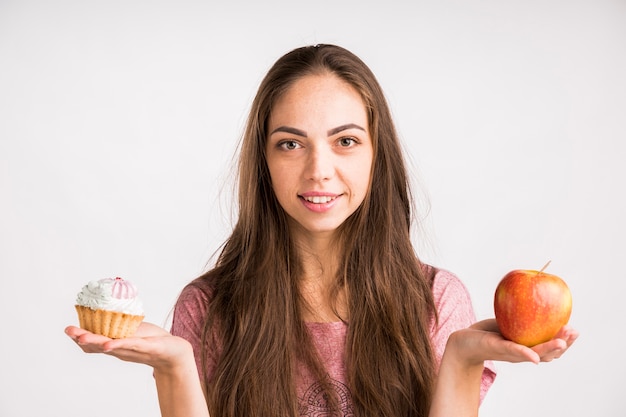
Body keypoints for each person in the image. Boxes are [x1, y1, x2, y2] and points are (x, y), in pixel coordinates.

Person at [65, 44, 578, 417]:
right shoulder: (208, 307)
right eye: (291, 144)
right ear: (263, 160)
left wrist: (463, 358)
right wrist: (175, 366)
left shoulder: (437, 300)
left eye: (346, 141)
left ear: (378, 154)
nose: (319, 170)